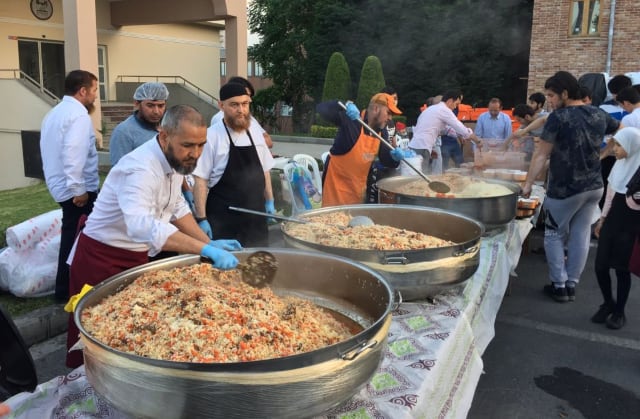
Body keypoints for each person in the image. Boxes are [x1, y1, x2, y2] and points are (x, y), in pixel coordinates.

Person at [65, 104, 240, 368]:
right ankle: (85, 385)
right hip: (100, 259)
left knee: (130, 330)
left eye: (201, 145)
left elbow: (175, 207)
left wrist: (208, 241)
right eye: (188, 145)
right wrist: (203, 251)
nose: (196, 154)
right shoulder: (140, 168)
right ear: (164, 136)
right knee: (97, 334)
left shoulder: (172, 161)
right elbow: (141, 225)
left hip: (135, 256)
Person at [522, 71, 620, 303]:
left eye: (552, 95)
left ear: (565, 93)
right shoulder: (598, 113)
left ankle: (559, 285)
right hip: (594, 187)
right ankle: (571, 283)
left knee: (554, 234)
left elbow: (541, 155)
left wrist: (527, 184)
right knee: (580, 234)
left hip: (565, 189)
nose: (550, 101)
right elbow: (622, 129)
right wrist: (603, 154)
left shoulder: (559, 118)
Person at [40, 70, 100, 303]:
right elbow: (73, 155)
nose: (95, 96)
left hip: (60, 184)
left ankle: (65, 288)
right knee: (79, 239)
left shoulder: (55, 113)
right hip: (75, 189)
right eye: (94, 90)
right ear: (82, 91)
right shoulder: (79, 116)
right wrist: (79, 191)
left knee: (72, 236)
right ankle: (69, 289)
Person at [193, 82, 276, 247]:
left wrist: (270, 201)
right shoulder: (211, 136)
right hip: (223, 220)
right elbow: (200, 180)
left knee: (258, 264)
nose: (241, 110)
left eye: (245, 104)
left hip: (256, 218)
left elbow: (264, 170)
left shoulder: (255, 133)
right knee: (224, 269)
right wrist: (201, 218)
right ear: (221, 105)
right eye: (234, 105)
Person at [591, 127, 640, 329]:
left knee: (622, 269)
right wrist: (602, 220)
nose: (615, 150)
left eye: (619, 145)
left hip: (631, 225)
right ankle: (608, 302)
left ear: (632, 145)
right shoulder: (619, 165)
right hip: (612, 220)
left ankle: (619, 311)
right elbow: (610, 195)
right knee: (600, 265)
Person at [318, 93, 403, 206]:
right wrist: (345, 104)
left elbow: (385, 160)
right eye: (388, 113)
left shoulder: (382, 132)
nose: (389, 118)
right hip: (336, 188)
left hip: (357, 190)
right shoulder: (352, 121)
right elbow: (321, 109)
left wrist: (394, 158)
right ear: (376, 109)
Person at [409, 90, 481, 173]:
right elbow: (461, 129)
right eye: (456, 104)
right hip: (423, 147)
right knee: (420, 176)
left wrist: (430, 149)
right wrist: (477, 140)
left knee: (415, 173)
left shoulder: (431, 109)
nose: (455, 107)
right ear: (450, 101)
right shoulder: (444, 110)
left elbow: (446, 129)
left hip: (414, 146)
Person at [109, 82, 169, 165]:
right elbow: (120, 172)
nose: (156, 111)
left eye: (160, 106)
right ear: (137, 104)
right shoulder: (124, 132)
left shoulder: (169, 127)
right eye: (150, 105)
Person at [211, 76, 273, 149]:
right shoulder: (219, 119)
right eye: (246, 95)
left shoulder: (248, 119)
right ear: (221, 105)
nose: (250, 100)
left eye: (249, 96)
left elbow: (269, 141)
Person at [599, 75, 632, 209]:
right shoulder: (604, 107)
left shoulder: (633, 109)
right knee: (606, 186)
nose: (615, 96)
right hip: (608, 154)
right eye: (614, 93)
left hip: (627, 156)